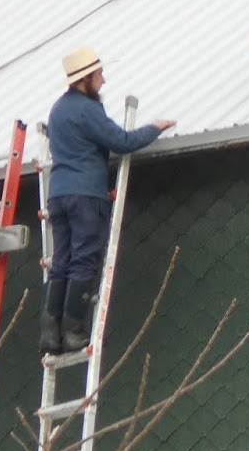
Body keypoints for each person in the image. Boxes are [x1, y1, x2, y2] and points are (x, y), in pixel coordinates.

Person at [41, 46, 175, 355]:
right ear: (85, 79)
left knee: (61, 261)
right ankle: (73, 332)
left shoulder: (57, 110)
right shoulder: (88, 110)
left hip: (58, 194)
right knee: (84, 259)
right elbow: (122, 141)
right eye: (100, 75)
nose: (104, 80)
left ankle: (50, 333)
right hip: (85, 193)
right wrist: (155, 127)